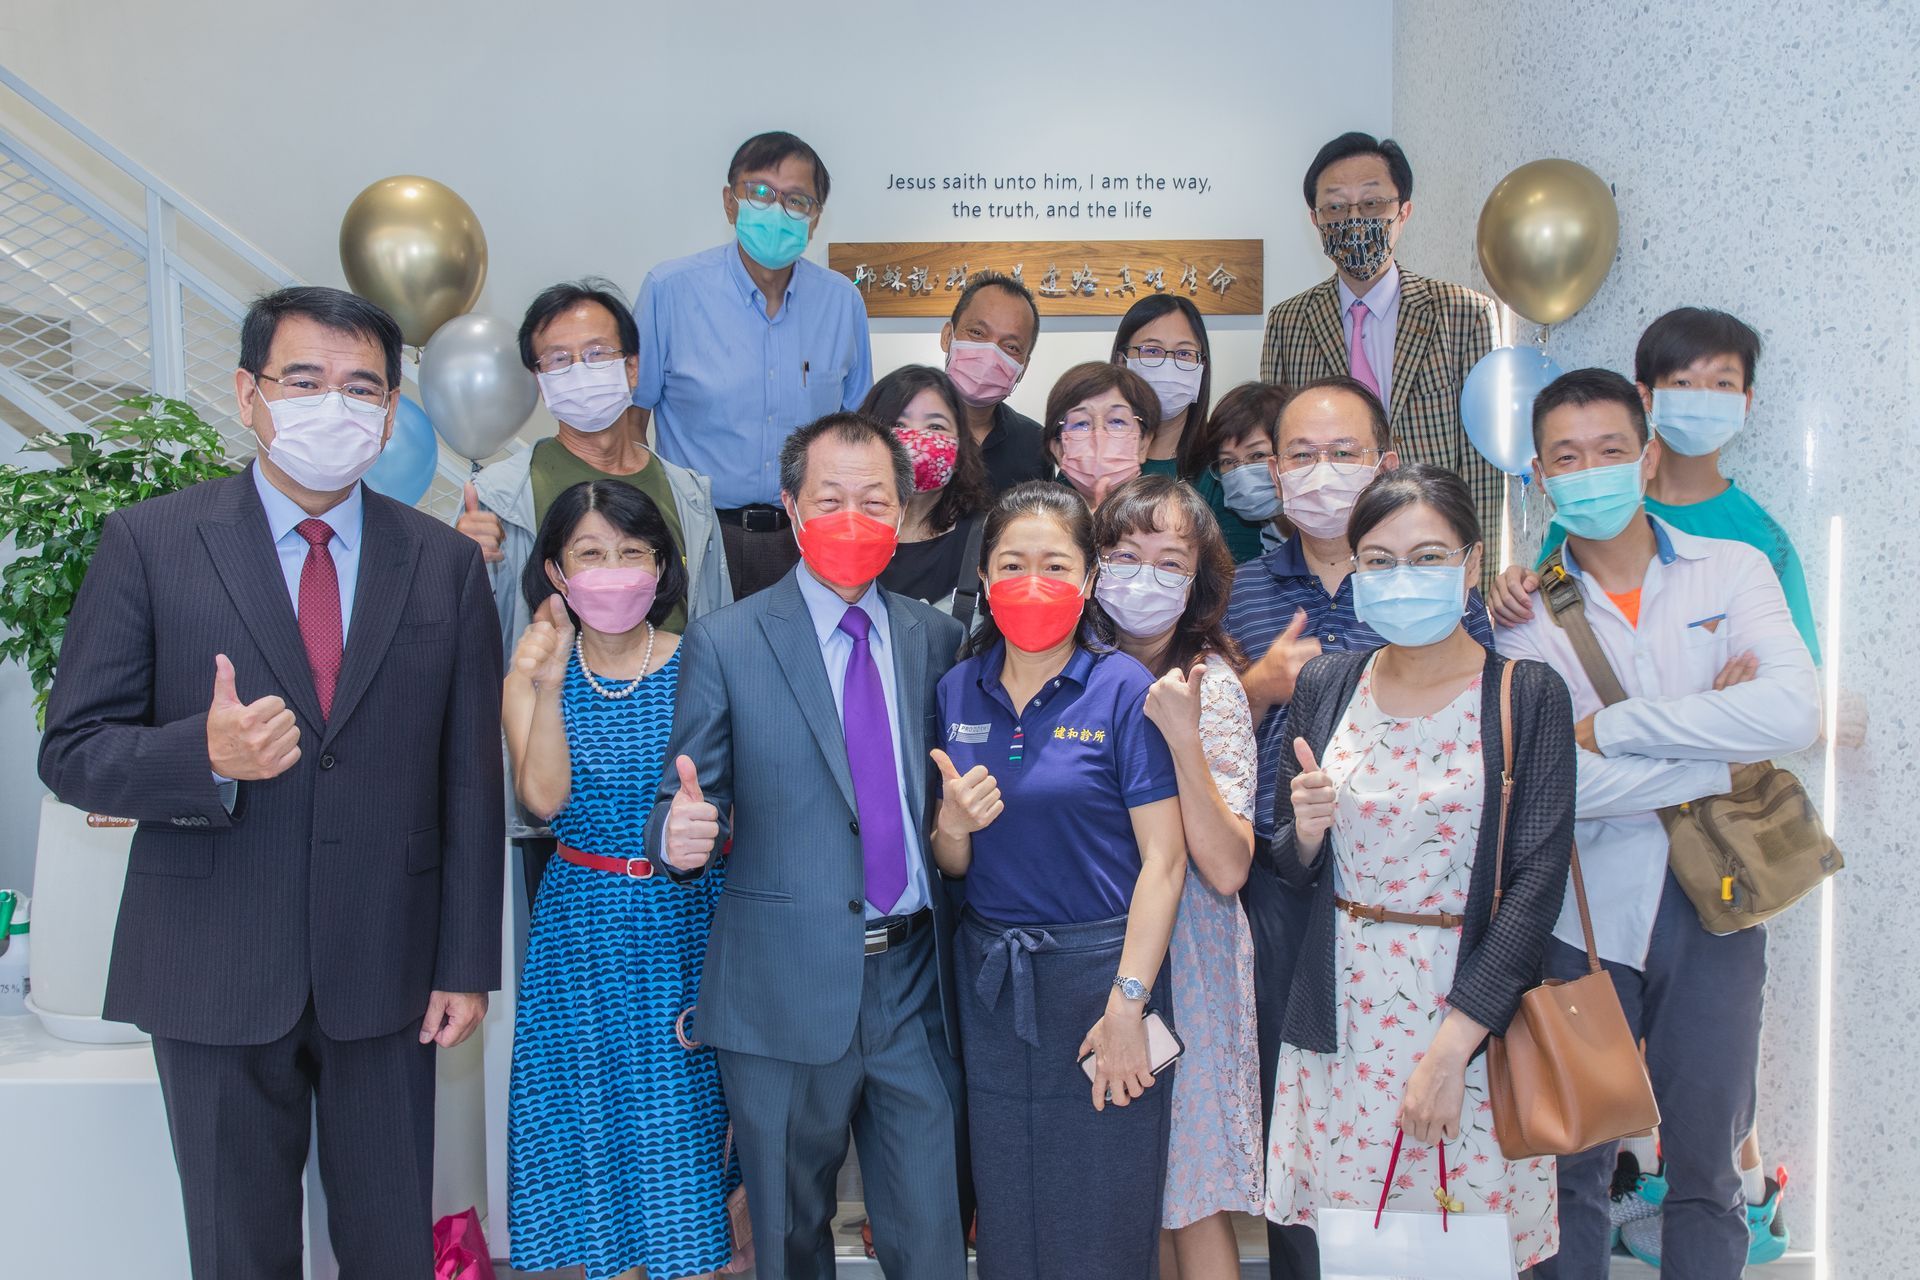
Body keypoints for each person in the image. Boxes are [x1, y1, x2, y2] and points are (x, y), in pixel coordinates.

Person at [38, 286, 503, 1275]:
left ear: (391, 412)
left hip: (388, 965)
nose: (335, 405)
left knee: (390, 1246)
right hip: (214, 962)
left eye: (362, 387)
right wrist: (201, 757)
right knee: (237, 1250)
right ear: (248, 394)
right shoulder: (150, 542)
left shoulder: (441, 564)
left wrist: (464, 960)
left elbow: (469, 778)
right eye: (305, 380)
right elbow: (72, 748)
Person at [1493, 369, 1821, 1280]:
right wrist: (1721, 743)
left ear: (1645, 457)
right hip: (1579, 913)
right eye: (1567, 457)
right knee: (1568, 1162)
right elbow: (1547, 785)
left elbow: (1793, 714)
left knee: (1709, 1167)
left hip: (1717, 902)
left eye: (1609, 450)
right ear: (1539, 477)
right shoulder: (1522, 614)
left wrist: (1617, 729)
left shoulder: (1734, 568)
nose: (1590, 470)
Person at [645, 413, 969, 1280]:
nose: (853, 518)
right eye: (830, 500)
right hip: (780, 988)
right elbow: (686, 793)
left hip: (913, 983)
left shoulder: (938, 640)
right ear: (791, 509)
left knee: (933, 1242)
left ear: (901, 514)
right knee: (788, 1243)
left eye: (875, 501)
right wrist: (679, 833)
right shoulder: (727, 640)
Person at [1267, 463, 1572, 1274]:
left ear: (1471, 565)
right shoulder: (1328, 684)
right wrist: (1305, 834)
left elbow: (1534, 888)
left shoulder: (1527, 694)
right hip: (1343, 1015)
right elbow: (1288, 863)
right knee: (1355, 1247)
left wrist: (1448, 1054)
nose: (1403, 577)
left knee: (1460, 1246)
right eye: (1379, 560)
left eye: (1428, 557)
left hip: (1466, 1017)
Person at [1222, 376, 1494, 1279]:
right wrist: (1257, 687)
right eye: (1299, 455)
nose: (1321, 472)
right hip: (1287, 889)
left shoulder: (1444, 588)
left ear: (1384, 462)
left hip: (1426, 905)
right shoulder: (1239, 592)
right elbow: (1209, 741)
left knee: (1432, 1138)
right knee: (1303, 1131)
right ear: (1274, 469)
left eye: (1344, 453)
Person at [932, 481, 1186, 1280]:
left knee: (1103, 1211)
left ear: (1088, 581)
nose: (1032, 582)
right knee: (1011, 1214)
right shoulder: (956, 689)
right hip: (993, 983)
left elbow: (1165, 862)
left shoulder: (1123, 688)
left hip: (1102, 980)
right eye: (1012, 564)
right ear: (984, 576)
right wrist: (952, 826)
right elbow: (952, 864)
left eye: (1055, 565)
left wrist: (1128, 1002)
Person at [503, 480, 736, 1280]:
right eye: (590, 553)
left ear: (663, 566)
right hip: (581, 928)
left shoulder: (706, 660)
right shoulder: (532, 673)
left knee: (684, 1135)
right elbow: (543, 801)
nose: (612, 570)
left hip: (684, 922)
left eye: (632, 552)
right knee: (593, 1125)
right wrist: (543, 687)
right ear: (556, 572)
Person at [459, 279, 731, 906]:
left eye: (597, 353)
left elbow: (718, 622)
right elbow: (475, 642)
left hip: (675, 761)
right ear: (539, 380)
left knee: (692, 937)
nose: (579, 371)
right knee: (573, 915)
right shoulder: (499, 495)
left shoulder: (688, 492)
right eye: (558, 359)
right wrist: (460, 563)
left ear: (632, 367)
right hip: (562, 770)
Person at [1091, 475, 1264, 1280]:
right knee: (1135, 1190)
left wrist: (1184, 737)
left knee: (1190, 1191)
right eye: (1127, 556)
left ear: (1198, 582)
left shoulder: (1211, 684)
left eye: (1170, 562)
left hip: (1188, 958)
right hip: (1099, 948)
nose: (1145, 578)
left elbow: (1227, 866)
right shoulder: (1078, 671)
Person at [1489, 307, 1821, 664]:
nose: (1703, 398)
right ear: (1646, 396)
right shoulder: (1590, 511)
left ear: (1746, 401)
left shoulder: (1763, 541)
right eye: (1683, 383)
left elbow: (1789, 674)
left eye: (1723, 384)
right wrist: (1516, 588)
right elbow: (1550, 628)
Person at [631, 131, 873, 598]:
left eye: (796, 200)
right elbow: (632, 421)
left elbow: (859, 429)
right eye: (760, 193)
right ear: (730, 202)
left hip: (807, 538)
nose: (777, 210)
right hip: (697, 534)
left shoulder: (842, 302)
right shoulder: (670, 291)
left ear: (815, 219)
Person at [1260, 132, 1503, 593]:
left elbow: (1482, 470)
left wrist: (1476, 586)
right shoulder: (1288, 322)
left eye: (1372, 204)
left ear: (1403, 212)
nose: (1354, 220)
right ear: (1315, 219)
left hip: (1429, 559)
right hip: (1327, 565)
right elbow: (1283, 456)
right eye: (1336, 207)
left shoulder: (1463, 314)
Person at [863, 365, 994, 626]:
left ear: (960, 448)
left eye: (935, 426)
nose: (916, 439)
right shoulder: (841, 533)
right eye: (897, 424)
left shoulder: (987, 539)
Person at [939, 270, 1051, 494]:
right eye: (977, 333)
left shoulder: (1035, 444)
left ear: (1023, 367)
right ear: (948, 337)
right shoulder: (900, 427)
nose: (990, 354)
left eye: (1011, 347)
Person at [1109, 294, 1214, 481]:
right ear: (1121, 361)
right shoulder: (1089, 455)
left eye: (1184, 353)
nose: (1168, 365)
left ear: (1202, 365)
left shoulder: (1222, 463)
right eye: (1152, 350)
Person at [1202, 380, 1295, 562]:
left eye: (1257, 455)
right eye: (1228, 461)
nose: (1243, 473)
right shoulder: (1266, 531)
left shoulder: (1330, 527)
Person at [1045, 361, 1157, 508]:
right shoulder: (1031, 518)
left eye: (1117, 421)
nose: (1099, 438)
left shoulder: (1171, 518)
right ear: (1058, 450)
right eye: (1081, 423)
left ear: (1144, 445)